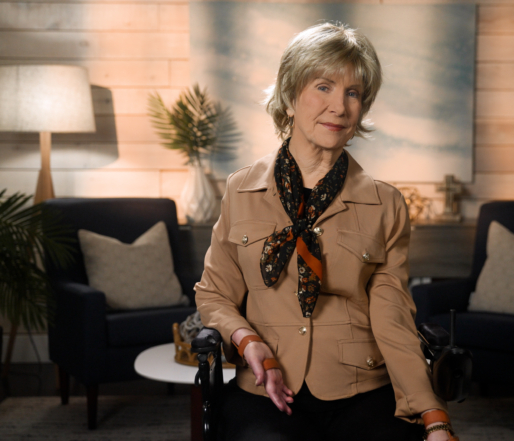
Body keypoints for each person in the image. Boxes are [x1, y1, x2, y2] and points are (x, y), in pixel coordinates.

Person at [195, 22, 459, 441]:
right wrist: (247, 341)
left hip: (364, 389)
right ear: (290, 94)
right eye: (323, 87)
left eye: (353, 93)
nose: (339, 106)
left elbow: (392, 318)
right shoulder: (240, 189)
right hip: (264, 388)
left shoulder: (385, 203)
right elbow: (214, 294)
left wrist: (434, 418)